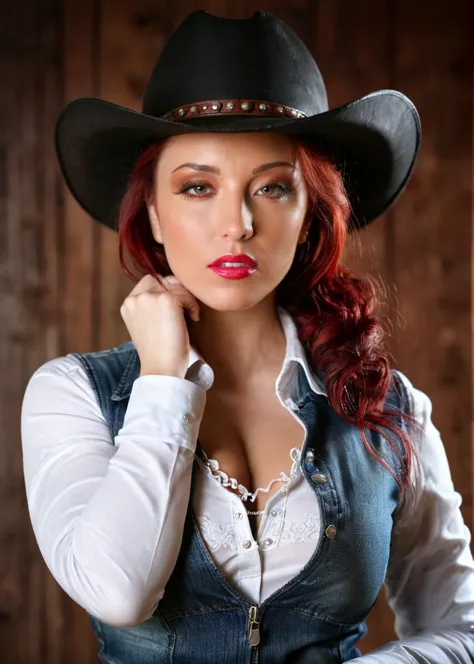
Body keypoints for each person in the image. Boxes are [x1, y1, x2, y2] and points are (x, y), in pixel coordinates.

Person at [21, 9, 474, 664]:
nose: (235, 224)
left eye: (270, 187)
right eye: (198, 187)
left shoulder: (389, 409)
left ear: (308, 213)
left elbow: (461, 630)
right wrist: (161, 381)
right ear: (152, 211)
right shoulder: (72, 397)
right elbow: (120, 593)